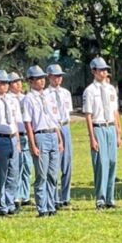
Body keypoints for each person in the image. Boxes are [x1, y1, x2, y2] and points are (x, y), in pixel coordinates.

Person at [22, 66, 63, 217]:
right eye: (38, 79)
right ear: (31, 81)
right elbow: (28, 123)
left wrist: (59, 139)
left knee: (53, 174)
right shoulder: (28, 98)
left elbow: (55, 119)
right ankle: (42, 207)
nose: (42, 81)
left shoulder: (49, 96)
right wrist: (32, 144)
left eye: (43, 78)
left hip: (52, 134)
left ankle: (52, 204)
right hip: (40, 135)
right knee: (42, 174)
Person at [82, 57, 122, 209]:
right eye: (101, 70)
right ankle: (100, 199)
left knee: (112, 163)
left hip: (110, 126)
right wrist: (92, 137)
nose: (104, 73)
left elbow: (115, 111)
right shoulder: (90, 91)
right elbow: (88, 115)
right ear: (93, 71)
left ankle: (110, 199)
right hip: (98, 127)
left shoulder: (111, 89)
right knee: (101, 163)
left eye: (105, 70)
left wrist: (118, 132)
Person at [0, 70, 21, 216]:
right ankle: (2, 204)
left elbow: (15, 121)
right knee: (1, 173)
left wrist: (18, 140)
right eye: (2, 83)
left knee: (14, 172)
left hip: (12, 137)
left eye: (7, 83)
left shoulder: (12, 100)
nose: (5, 86)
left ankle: (10, 201)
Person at [45, 64, 73, 208]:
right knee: (54, 164)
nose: (58, 79)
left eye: (60, 76)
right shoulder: (45, 95)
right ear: (49, 76)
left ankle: (65, 196)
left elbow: (68, 112)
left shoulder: (65, 93)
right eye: (56, 76)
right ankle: (54, 196)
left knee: (67, 164)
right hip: (53, 127)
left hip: (65, 126)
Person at [8, 72, 32, 208]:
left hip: (26, 134)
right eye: (15, 82)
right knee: (16, 166)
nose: (19, 85)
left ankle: (26, 194)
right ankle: (16, 196)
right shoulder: (9, 99)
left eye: (19, 82)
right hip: (16, 135)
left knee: (27, 166)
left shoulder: (25, 98)